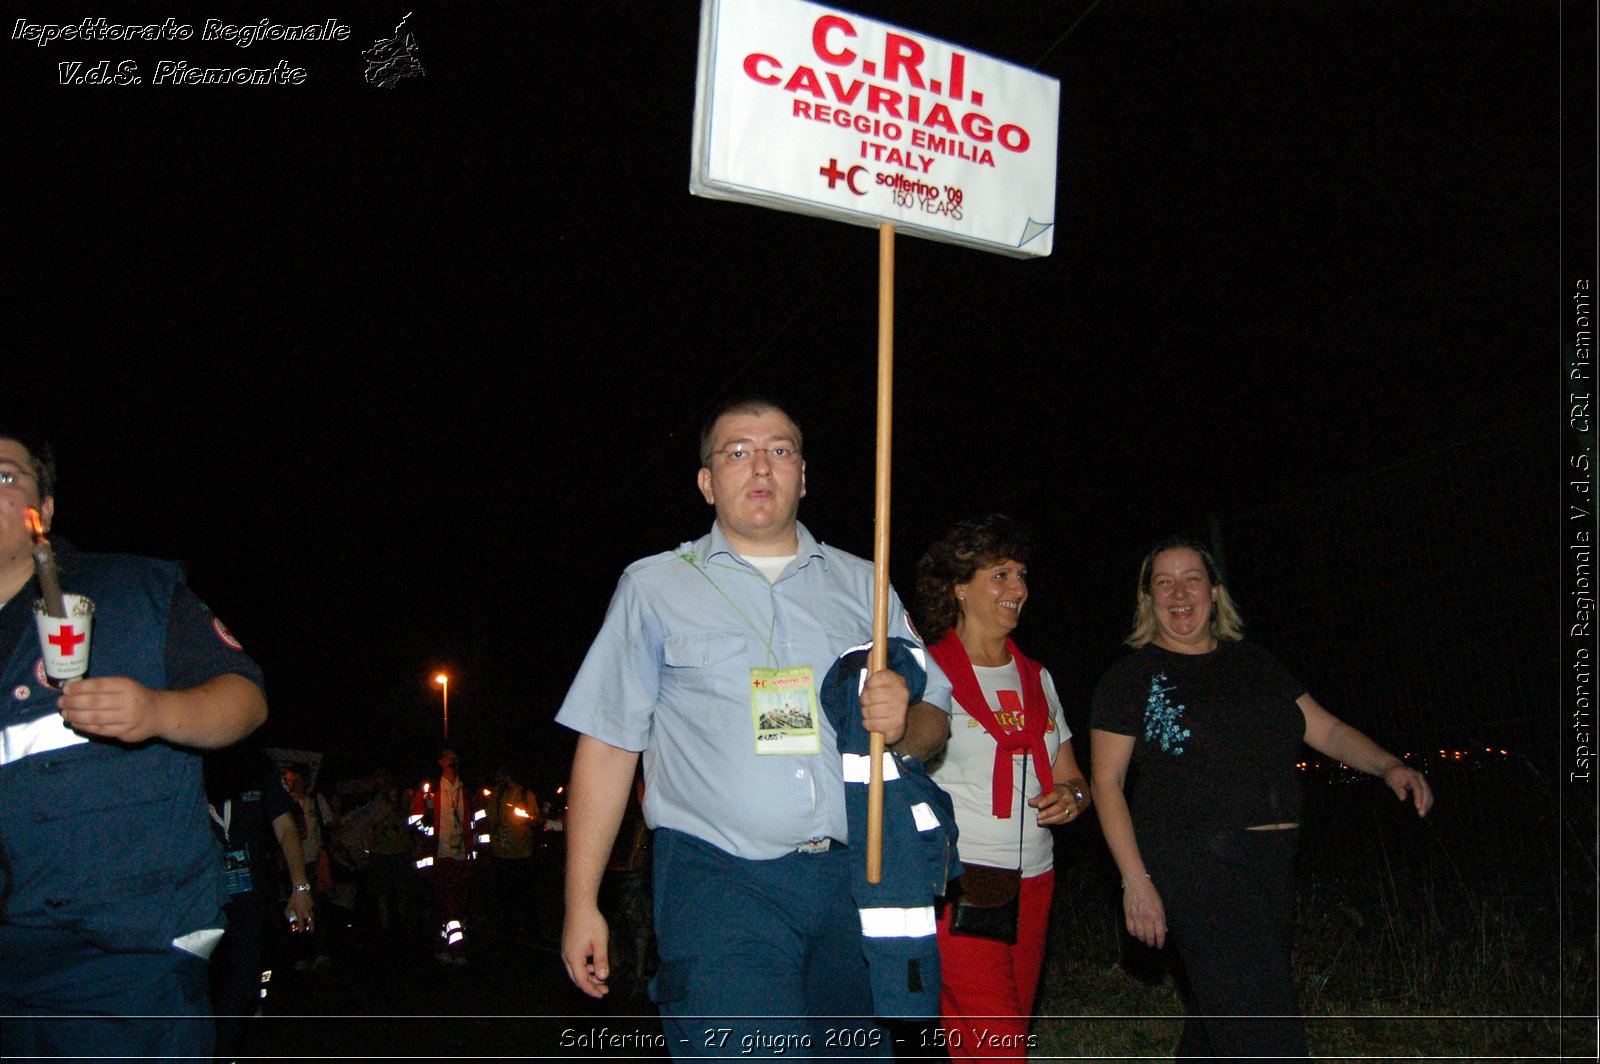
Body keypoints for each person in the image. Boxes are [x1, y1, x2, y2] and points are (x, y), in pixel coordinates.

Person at [557, 396, 952, 1057]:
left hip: (858, 877)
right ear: (707, 482)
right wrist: (580, 901)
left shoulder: (867, 585)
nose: (760, 466)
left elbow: (934, 723)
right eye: (736, 452)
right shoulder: (652, 587)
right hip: (719, 880)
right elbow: (606, 746)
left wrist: (903, 721)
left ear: (804, 475)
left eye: (779, 450)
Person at [1090, 535, 1434, 1060]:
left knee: (1225, 1013)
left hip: (1271, 865)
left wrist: (1389, 765)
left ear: (1214, 591)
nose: (1179, 592)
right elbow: (1107, 784)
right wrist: (1135, 881)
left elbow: (1326, 729)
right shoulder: (1131, 678)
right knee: (1266, 1026)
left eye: (1192, 578)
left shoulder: (1255, 663)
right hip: (1193, 862)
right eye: (1164, 581)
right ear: (1148, 599)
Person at [0, 430, 269, 1059]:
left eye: (7, 476)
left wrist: (159, 710)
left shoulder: (130, 592)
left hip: (125, 966)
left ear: (47, 507)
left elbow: (245, 698)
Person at [914, 514, 1090, 1057]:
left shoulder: (1036, 677)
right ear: (959, 587)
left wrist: (1073, 798)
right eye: (1001, 574)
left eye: (1022, 575)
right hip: (959, 883)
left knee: (982, 1041)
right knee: (1001, 1045)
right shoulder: (925, 670)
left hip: (1035, 881)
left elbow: (1072, 777)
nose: (1019, 588)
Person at [206, 744, 314, 1059]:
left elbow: (285, 829)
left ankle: (227, 1048)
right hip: (200, 895)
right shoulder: (189, 759)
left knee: (244, 979)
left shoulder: (258, 766)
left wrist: (300, 886)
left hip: (248, 894)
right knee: (202, 984)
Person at [412, 747, 478, 965]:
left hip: (463, 856)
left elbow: (479, 823)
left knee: (456, 905)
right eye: (449, 757)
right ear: (440, 761)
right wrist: (428, 825)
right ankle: (459, 951)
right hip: (440, 855)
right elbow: (414, 823)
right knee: (449, 903)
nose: (453, 760)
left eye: (456, 757)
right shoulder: (429, 791)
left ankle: (442, 947)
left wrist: (480, 852)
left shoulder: (466, 790)